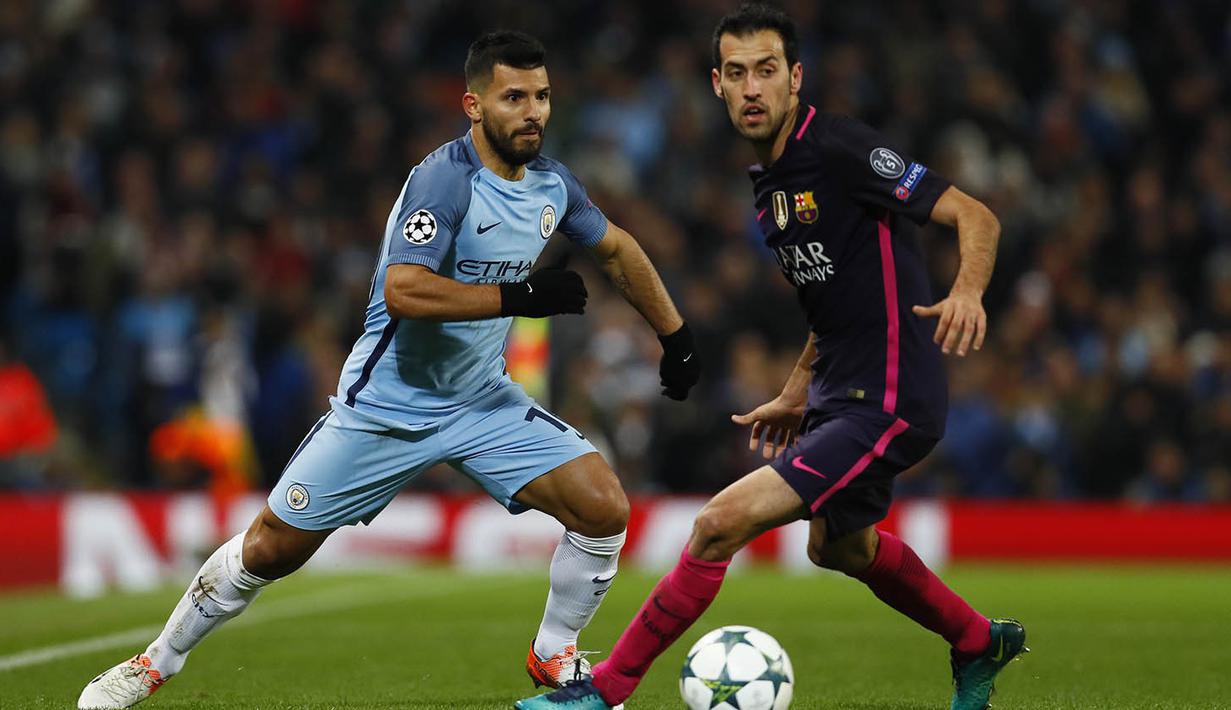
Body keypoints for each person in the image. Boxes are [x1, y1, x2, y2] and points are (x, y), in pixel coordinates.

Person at [78, 30, 700, 710]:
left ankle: (554, 654)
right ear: (473, 104)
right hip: (384, 407)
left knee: (603, 507)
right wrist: (517, 298)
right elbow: (403, 290)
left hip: (479, 400)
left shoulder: (553, 185)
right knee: (269, 550)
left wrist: (674, 335)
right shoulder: (445, 180)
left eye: (543, 96)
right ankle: (154, 662)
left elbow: (616, 250)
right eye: (514, 97)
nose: (533, 112)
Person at [515, 5, 1024, 710]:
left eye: (765, 71)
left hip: (887, 395)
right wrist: (795, 389)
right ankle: (977, 641)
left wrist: (967, 291)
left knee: (716, 524)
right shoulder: (771, 183)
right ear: (716, 86)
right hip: (838, 393)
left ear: (794, 78)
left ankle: (601, 692)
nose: (751, 87)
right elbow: (833, 298)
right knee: (838, 547)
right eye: (735, 73)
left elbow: (975, 214)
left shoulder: (841, 150)